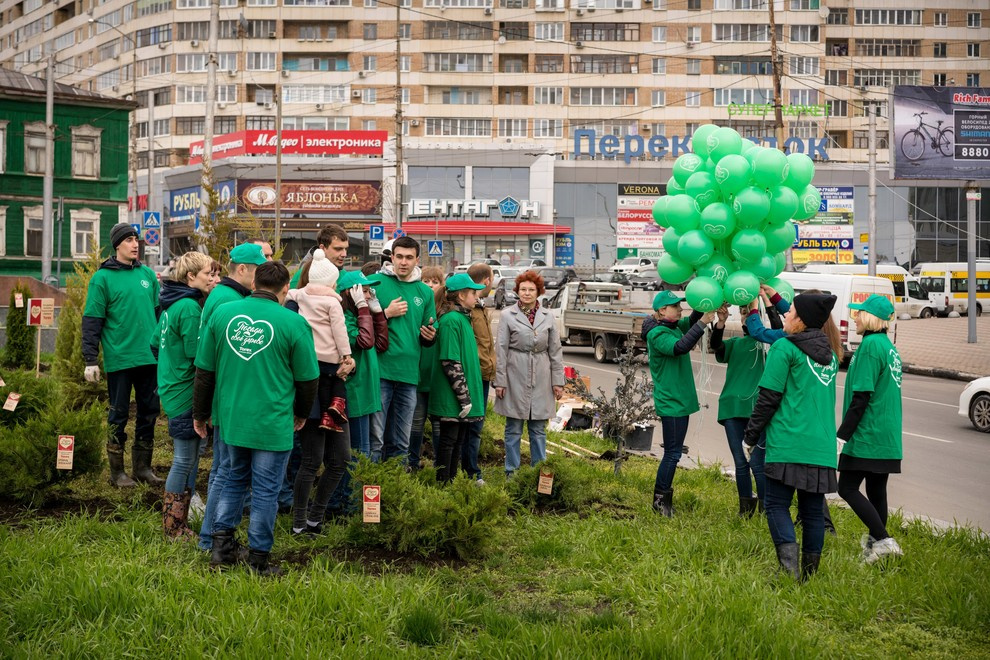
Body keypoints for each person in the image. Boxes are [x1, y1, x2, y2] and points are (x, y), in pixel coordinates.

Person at [193, 261, 319, 576]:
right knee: (265, 489)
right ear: (284, 289)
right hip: (273, 422)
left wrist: (200, 413)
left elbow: (204, 371)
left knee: (234, 478)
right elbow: (308, 379)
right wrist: (302, 414)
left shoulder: (222, 315)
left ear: (253, 284)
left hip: (232, 419)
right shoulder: (292, 323)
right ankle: (259, 559)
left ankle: (221, 550)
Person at [744, 293, 842, 581]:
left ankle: (789, 573)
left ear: (801, 320)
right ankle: (809, 576)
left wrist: (749, 437)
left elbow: (768, 397)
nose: (786, 315)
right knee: (812, 511)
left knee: (776, 505)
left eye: (791, 311)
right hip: (821, 448)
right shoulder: (832, 356)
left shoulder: (785, 349)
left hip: (788, 444)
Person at [196, 242, 268, 553]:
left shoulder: (223, 296)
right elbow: (209, 359)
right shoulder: (228, 299)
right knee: (227, 471)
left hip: (222, 399)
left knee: (222, 470)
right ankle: (210, 538)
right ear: (241, 270)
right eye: (256, 272)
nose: (259, 280)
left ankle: (211, 535)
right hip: (226, 400)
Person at [82, 222, 163, 487]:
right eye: (129, 240)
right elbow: (92, 320)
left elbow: (156, 316)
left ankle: (143, 468)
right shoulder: (102, 278)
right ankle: (117, 473)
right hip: (120, 358)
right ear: (117, 245)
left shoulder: (148, 276)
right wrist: (90, 359)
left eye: (136, 239)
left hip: (148, 357)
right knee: (118, 413)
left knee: (149, 411)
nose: (135, 244)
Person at [285, 249, 355, 537]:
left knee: (339, 461)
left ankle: (313, 518)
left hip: (330, 384)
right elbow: (340, 332)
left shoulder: (298, 297)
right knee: (313, 461)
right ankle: (301, 523)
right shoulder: (332, 302)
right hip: (318, 383)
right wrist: (347, 357)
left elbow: (292, 293)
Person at [709, 292, 791, 517]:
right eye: (743, 312)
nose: (746, 316)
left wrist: (766, 302)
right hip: (732, 409)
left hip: (759, 412)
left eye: (749, 311)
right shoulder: (735, 343)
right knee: (740, 462)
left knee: (758, 463)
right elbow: (715, 346)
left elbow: (779, 328)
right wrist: (721, 323)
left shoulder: (770, 344)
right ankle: (745, 509)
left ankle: (767, 508)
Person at [836, 294, 905, 564]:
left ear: (870, 318)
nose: (855, 318)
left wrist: (842, 435)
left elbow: (861, 397)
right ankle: (877, 546)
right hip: (886, 434)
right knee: (877, 491)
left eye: (859, 313)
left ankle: (884, 540)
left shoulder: (870, 346)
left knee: (847, 488)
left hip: (868, 433)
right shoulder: (887, 346)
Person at [153, 251, 213, 540]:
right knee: (183, 460)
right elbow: (196, 355)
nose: (212, 278)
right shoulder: (189, 307)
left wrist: (169, 366)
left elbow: (155, 344)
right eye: (207, 274)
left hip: (170, 387)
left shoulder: (170, 306)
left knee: (186, 458)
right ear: (191, 277)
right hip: (184, 392)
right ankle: (173, 527)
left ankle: (177, 522)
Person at [323, 269, 390, 520]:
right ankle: (344, 506)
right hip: (355, 395)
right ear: (349, 294)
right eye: (363, 290)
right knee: (355, 453)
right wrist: (363, 310)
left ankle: (349, 503)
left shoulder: (361, 316)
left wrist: (377, 312)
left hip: (368, 394)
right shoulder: (345, 319)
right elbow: (364, 342)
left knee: (364, 451)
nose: (369, 293)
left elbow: (382, 343)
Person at [646, 290, 713, 517]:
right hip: (671, 402)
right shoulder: (658, 334)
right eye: (675, 306)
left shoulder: (673, 326)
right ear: (662, 310)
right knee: (673, 454)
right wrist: (704, 322)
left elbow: (692, 319)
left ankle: (663, 499)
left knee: (674, 452)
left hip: (680, 401)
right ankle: (660, 500)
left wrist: (709, 301)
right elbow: (680, 347)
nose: (680, 309)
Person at [370, 236, 438, 462]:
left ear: (417, 260)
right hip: (380, 372)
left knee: (401, 441)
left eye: (409, 257)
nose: (403, 262)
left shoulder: (424, 292)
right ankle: (371, 488)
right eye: (399, 256)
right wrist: (385, 314)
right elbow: (356, 324)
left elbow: (429, 332)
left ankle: (396, 489)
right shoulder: (374, 283)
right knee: (375, 439)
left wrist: (430, 336)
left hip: (409, 375)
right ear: (391, 257)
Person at [493, 270, 564, 478]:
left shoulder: (548, 317)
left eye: (531, 290)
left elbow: (555, 351)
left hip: (542, 376)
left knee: (538, 429)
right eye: (523, 289)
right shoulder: (507, 315)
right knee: (513, 427)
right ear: (517, 291)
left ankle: (539, 474)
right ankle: (511, 474)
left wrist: (557, 381)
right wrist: (500, 381)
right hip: (515, 374)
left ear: (538, 292)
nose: (526, 293)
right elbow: (501, 349)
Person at [429, 273, 487, 483]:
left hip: (459, 397)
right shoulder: (452, 320)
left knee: (457, 440)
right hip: (451, 397)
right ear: (462, 295)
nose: (476, 296)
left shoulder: (462, 317)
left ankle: (451, 482)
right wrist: (463, 396)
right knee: (448, 440)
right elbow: (450, 361)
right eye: (473, 292)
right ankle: (443, 483)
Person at [408, 266, 445, 471]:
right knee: (416, 422)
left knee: (439, 423)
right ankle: (413, 462)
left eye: (435, 282)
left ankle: (440, 465)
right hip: (418, 374)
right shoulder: (418, 306)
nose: (430, 285)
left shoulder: (445, 311)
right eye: (426, 281)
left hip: (437, 376)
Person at [464, 263, 496, 484]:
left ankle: (468, 469)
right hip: (472, 376)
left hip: (482, 374)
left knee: (475, 425)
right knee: (472, 427)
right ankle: (471, 472)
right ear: (487, 280)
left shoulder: (480, 306)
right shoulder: (469, 308)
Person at [290, 225, 349, 289]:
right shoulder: (301, 278)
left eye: (345, 249)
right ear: (322, 248)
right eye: (338, 249)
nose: (344, 254)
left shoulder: (347, 278)